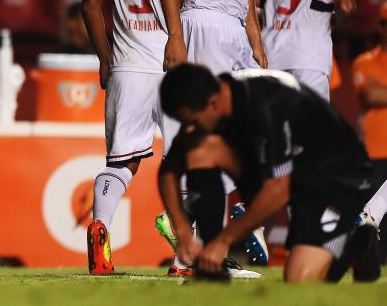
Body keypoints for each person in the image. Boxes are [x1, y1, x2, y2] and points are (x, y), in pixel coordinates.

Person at [156, 0, 291, 274]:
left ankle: (193, 242)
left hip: (234, 29)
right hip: (207, 25)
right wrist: (176, 36)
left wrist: (255, 41)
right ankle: (201, 250)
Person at [158, 63, 380, 283]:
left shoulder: (269, 104)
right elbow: (168, 172)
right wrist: (184, 232)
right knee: (200, 150)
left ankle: (356, 243)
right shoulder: (215, 98)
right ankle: (211, 268)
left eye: (192, 122)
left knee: (300, 280)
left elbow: (278, 190)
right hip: (293, 171)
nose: (188, 129)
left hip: (336, 176)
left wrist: (225, 239)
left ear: (213, 104)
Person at [81, 0, 187, 275]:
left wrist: (105, 59)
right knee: (188, 162)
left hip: (127, 63)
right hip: (175, 65)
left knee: (121, 163)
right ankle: (184, 258)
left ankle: (101, 226)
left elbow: (90, 5)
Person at [352, 0, 387, 263]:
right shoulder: (365, 61)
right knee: (374, 243)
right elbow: (371, 95)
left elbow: (379, 92)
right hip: (375, 153)